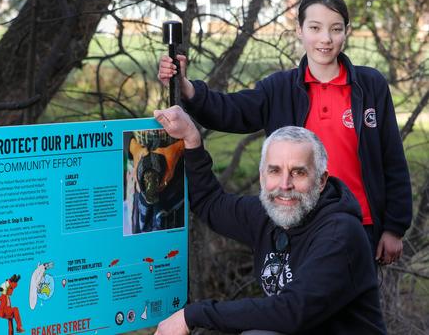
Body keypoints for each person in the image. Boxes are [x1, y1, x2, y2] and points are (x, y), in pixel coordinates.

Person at [157, 0, 411, 265]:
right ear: (300, 30)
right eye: (315, 28)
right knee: (299, 306)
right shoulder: (279, 89)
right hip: (300, 226)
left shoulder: (370, 86)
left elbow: (392, 159)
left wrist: (394, 228)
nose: (325, 39)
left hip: (361, 225)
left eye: (335, 29)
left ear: (346, 31)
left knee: (355, 306)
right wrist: (186, 87)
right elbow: (229, 111)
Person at [153, 106, 386, 334]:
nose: (285, 185)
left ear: (322, 180)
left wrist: (193, 315)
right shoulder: (268, 214)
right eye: (275, 171)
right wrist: (192, 140)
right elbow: (211, 204)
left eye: (298, 172)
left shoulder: (341, 234)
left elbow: (291, 312)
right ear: (263, 176)